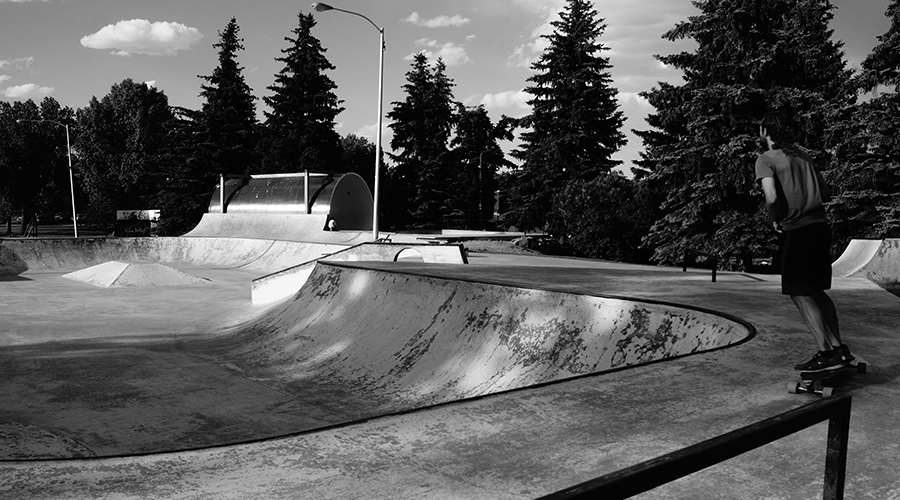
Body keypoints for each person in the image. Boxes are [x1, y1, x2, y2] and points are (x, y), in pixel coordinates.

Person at [755, 111, 853, 372]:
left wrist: (775, 218)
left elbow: (772, 198)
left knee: (799, 292)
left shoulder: (766, 160)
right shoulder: (802, 155)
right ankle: (839, 349)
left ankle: (826, 352)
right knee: (816, 291)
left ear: (765, 132)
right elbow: (825, 191)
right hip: (820, 227)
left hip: (797, 230)